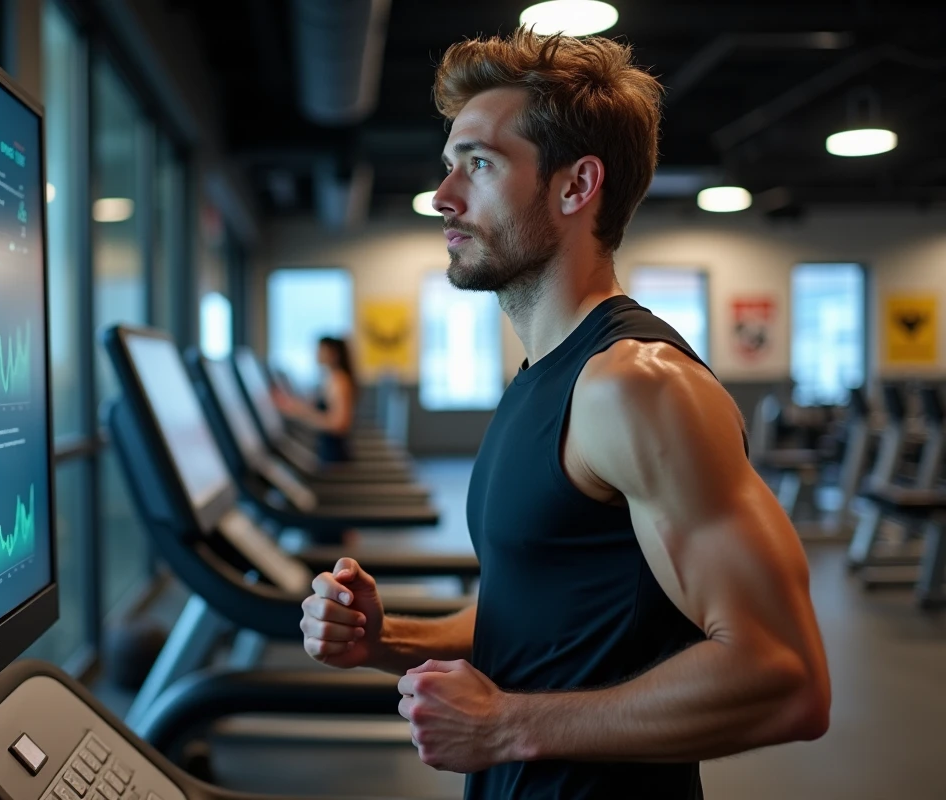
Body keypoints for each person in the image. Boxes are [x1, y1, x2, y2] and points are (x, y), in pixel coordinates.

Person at [299, 27, 830, 800]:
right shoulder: (542, 376)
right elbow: (538, 612)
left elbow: (785, 676)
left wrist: (507, 726)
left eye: (479, 164)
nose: (444, 196)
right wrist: (386, 641)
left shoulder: (637, 386)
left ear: (576, 186)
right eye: (450, 165)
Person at [273, 336, 357, 463]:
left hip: (334, 456)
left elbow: (340, 424)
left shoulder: (340, 381)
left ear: (334, 354)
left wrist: (303, 413)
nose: (317, 354)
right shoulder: (329, 379)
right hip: (327, 450)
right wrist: (295, 408)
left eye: (321, 350)